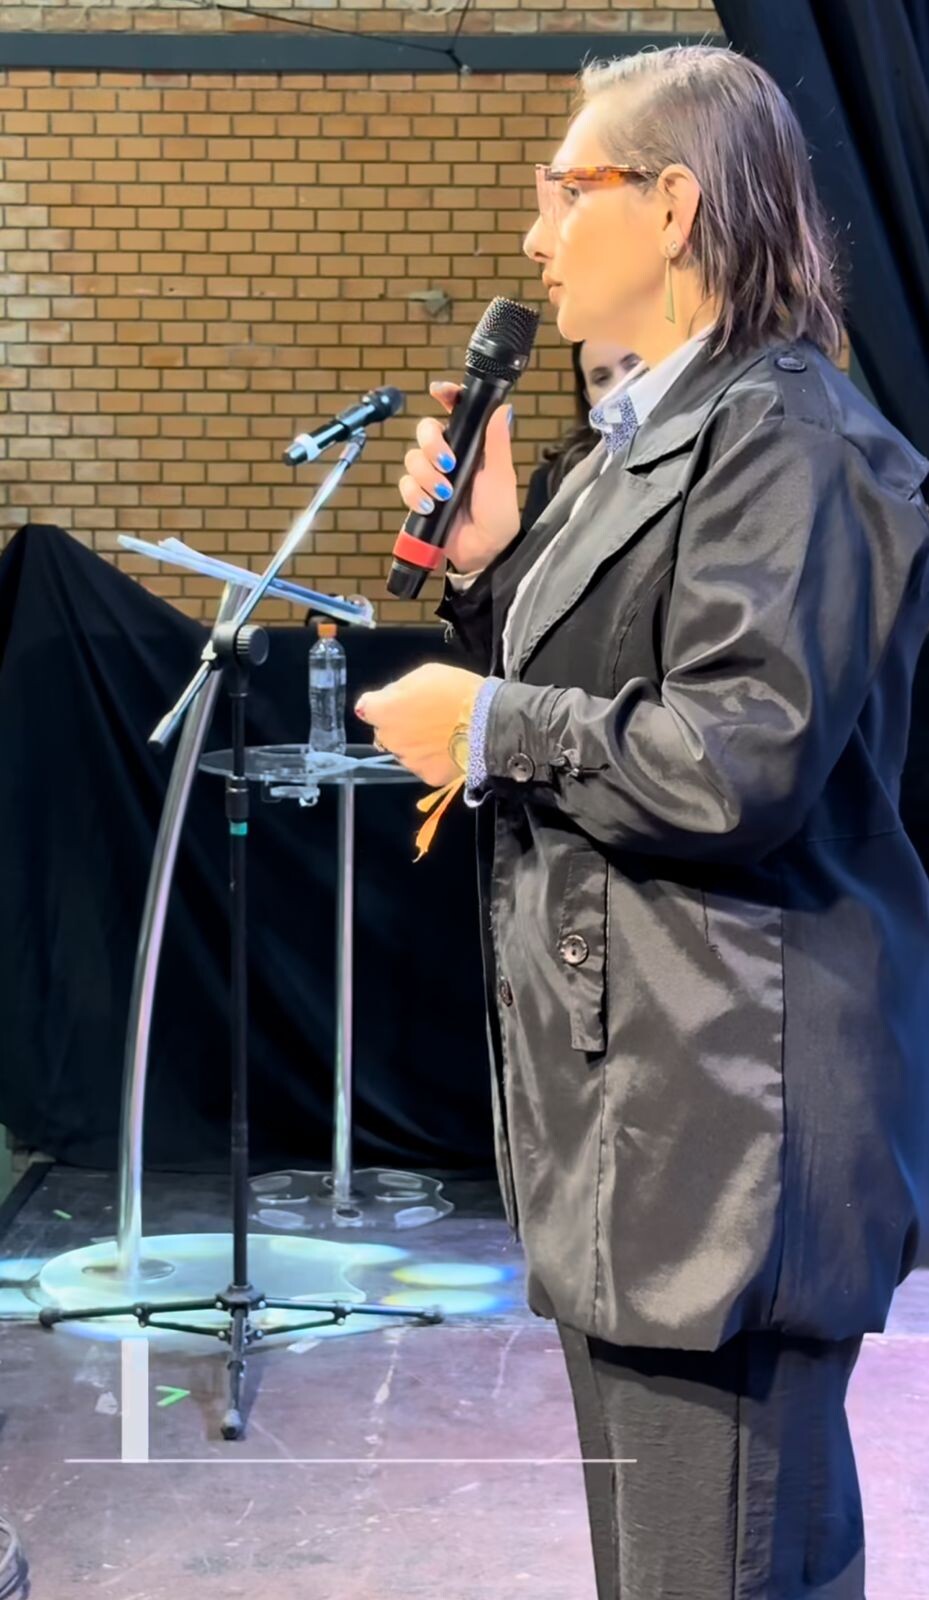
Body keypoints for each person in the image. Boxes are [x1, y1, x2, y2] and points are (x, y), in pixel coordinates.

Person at [355, 43, 929, 1600]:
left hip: (728, 1129)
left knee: (720, 1570)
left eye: (566, 190)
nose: (534, 234)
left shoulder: (788, 440)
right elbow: (619, 682)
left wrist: (488, 723)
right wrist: (493, 563)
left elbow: (735, 759)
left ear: (674, 207)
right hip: (650, 1121)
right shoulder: (649, 436)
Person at [522, 340, 640, 529]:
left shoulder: (692, 457)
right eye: (602, 378)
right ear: (588, 397)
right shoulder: (554, 480)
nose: (621, 384)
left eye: (633, 365)